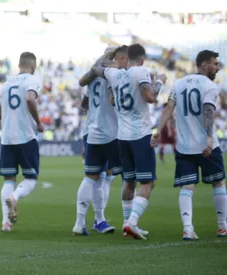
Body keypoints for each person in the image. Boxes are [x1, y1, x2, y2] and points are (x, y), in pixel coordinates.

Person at [152, 50, 227, 240]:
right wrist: (209, 137)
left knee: (187, 187)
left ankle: (187, 228)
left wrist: (158, 131)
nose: (218, 67)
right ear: (203, 65)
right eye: (214, 63)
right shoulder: (210, 86)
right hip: (206, 145)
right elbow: (208, 111)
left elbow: (169, 108)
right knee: (218, 182)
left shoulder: (178, 83)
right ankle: (222, 227)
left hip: (184, 146)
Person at [94, 44, 166, 239]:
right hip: (140, 134)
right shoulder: (140, 71)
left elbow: (96, 69)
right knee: (148, 182)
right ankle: (132, 222)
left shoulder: (114, 74)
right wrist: (159, 82)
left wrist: (107, 55)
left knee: (129, 181)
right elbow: (150, 97)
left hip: (122, 136)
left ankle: (127, 224)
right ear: (141, 58)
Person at [72, 46, 125, 235]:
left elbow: (84, 103)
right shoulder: (113, 74)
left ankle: (81, 222)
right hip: (111, 132)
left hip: (91, 129)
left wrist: (97, 110)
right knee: (109, 176)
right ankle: (103, 219)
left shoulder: (93, 76)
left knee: (92, 176)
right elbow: (113, 100)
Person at [0, 52, 44, 232]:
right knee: (31, 177)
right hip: (26, 136)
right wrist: (38, 122)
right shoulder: (32, 79)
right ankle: (15, 197)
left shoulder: (6, 84)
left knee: (9, 179)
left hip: (7, 138)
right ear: (33, 65)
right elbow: (30, 98)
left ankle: (5, 223)